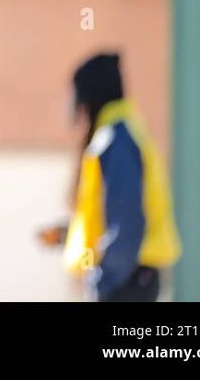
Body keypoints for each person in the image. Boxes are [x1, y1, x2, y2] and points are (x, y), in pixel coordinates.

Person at [59, 53, 181, 301]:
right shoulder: (120, 133)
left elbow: (127, 219)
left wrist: (105, 280)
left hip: (127, 282)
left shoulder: (116, 139)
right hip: (131, 278)